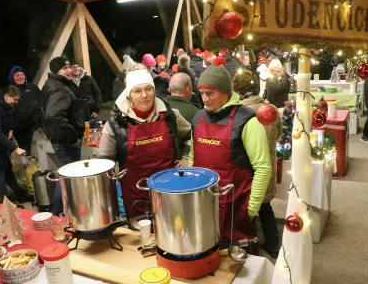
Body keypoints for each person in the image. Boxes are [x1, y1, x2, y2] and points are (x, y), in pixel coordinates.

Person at [188, 64, 272, 244]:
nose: (205, 99)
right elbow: (192, 160)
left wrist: (249, 210)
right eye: (201, 93)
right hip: (203, 206)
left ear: (225, 92)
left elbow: (263, 168)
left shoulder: (248, 121)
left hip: (236, 208)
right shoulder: (198, 117)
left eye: (210, 93)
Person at [98, 69, 191, 218]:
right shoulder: (115, 124)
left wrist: (187, 158)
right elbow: (104, 164)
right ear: (129, 95)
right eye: (137, 91)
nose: (144, 95)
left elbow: (190, 136)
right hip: (136, 198)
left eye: (148, 89)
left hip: (172, 192)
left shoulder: (170, 116)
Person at [232, 69, 282, 257]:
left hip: (249, 169)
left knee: (248, 208)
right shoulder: (271, 109)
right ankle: (272, 245)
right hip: (268, 165)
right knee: (266, 208)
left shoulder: (238, 113)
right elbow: (278, 134)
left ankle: (249, 246)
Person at [40, 57, 85, 215]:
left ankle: (63, 211)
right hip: (66, 141)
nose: (68, 70)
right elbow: (53, 116)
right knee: (67, 178)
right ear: (55, 71)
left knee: (65, 176)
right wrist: (72, 136)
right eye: (64, 68)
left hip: (59, 139)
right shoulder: (59, 87)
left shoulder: (52, 84)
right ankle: (59, 212)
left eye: (68, 67)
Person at [8, 66, 41, 155]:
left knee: (37, 151)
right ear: (12, 77)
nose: (20, 77)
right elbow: (6, 110)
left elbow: (41, 103)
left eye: (22, 74)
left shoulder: (33, 88)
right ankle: (28, 167)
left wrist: (38, 119)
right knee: (25, 152)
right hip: (19, 129)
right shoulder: (9, 91)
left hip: (34, 127)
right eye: (17, 75)